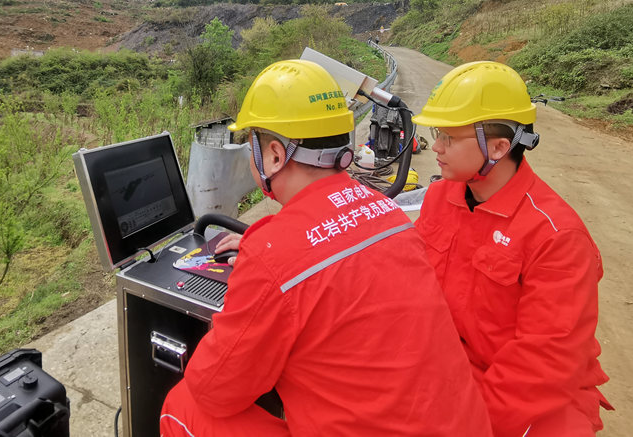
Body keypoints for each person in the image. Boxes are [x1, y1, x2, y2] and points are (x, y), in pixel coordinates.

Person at [160, 59, 492, 436]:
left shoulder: (274, 258)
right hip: (464, 423)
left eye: (250, 141)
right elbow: (332, 243)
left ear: (273, 155)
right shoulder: (389, 214)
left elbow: (214, 389)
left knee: (184, 404)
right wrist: (263, 244)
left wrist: (263, 260)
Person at [411, 61, 612, 437]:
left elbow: (544, 363)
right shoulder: (440, 196)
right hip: (452, 367)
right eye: (437, 134)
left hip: (530, 395)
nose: (435, 147)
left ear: (500, 147)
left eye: (449, 138)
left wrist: (467, 422)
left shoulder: (556, 238)